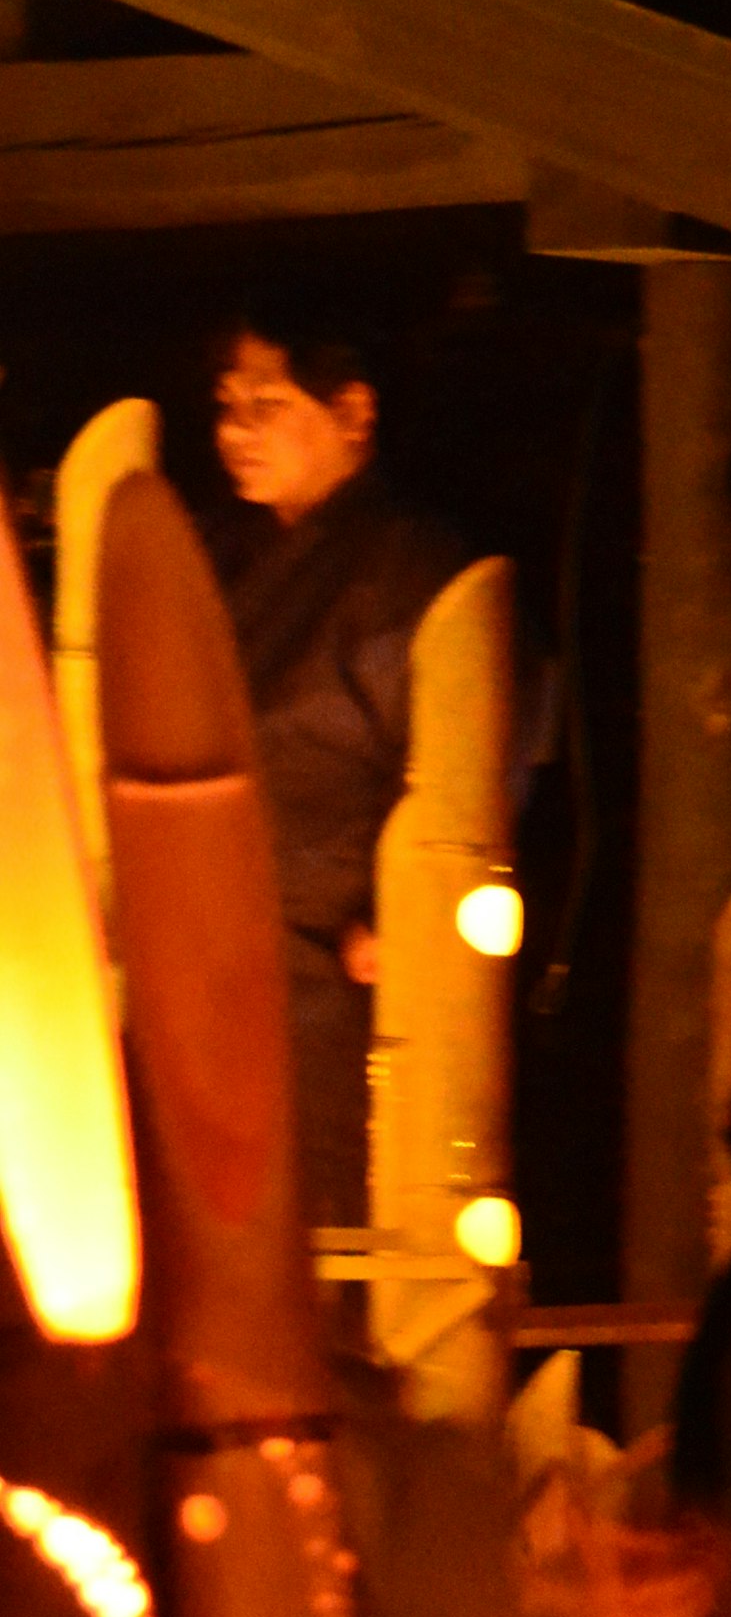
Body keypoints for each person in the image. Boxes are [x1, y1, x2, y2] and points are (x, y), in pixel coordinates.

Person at [206, 311, 466, 1237]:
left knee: (327, 1231)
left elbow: (474, 750)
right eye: (227, 406)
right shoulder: (224, 560)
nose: (235, 431)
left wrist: (407, 919)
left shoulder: (411, 569)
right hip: (210, 945)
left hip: (333, 963)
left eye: (267, 405)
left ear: (352, 412)